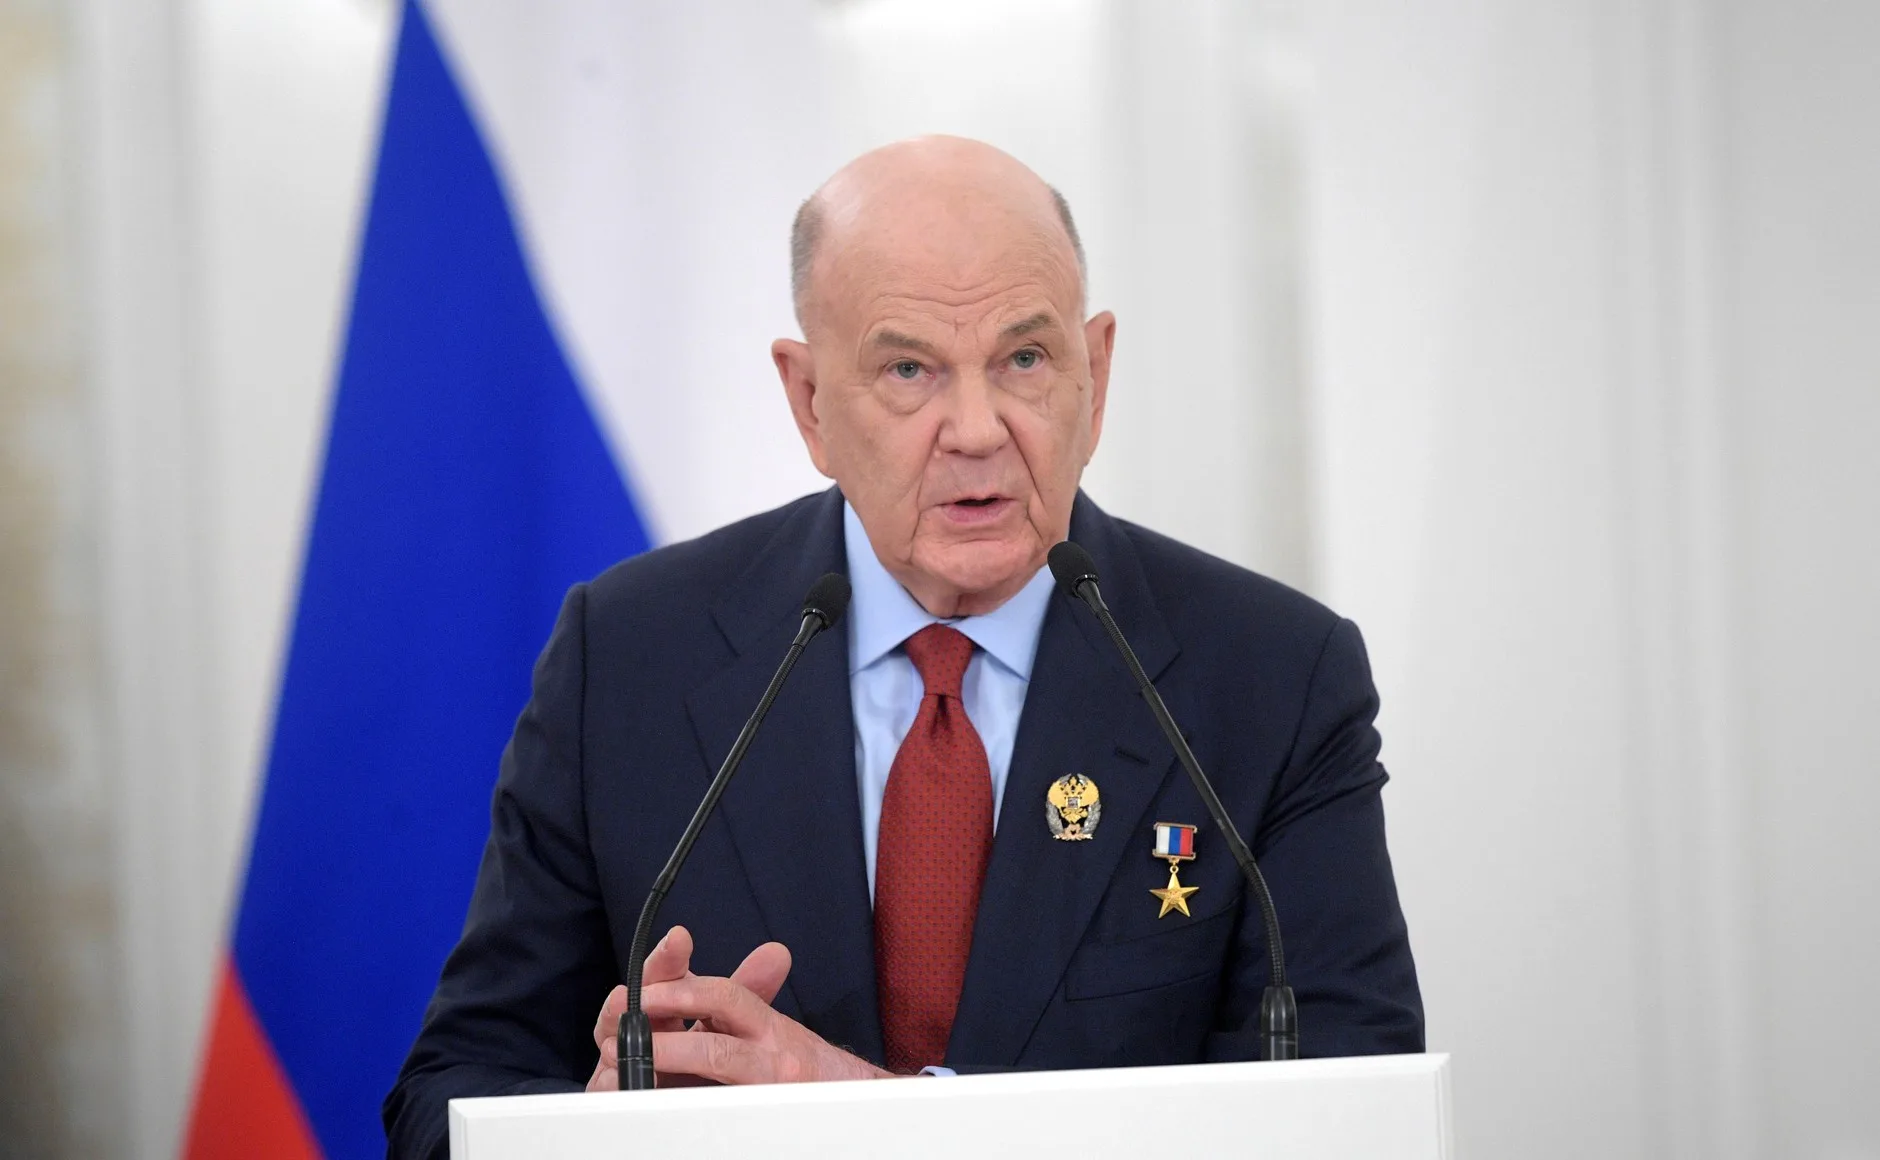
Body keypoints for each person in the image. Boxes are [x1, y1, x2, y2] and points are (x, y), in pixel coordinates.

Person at [384, 135, 1422, 1157]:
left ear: (1094, 373)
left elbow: (1350, 1118)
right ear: (809, 403)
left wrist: (856, 1108)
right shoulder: (627, 659)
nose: (976, 428)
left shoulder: (1273, 679)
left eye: (1024, 359)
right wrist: (596, 1131)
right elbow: (449, 1095)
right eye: (910, 368)